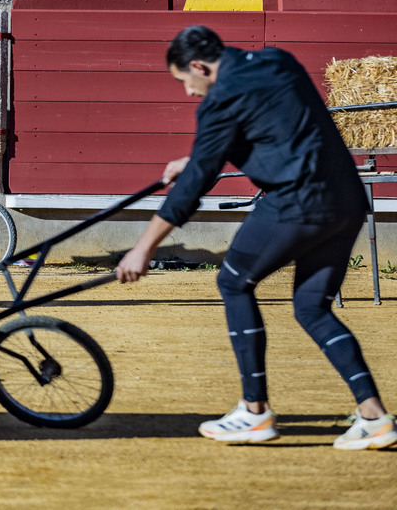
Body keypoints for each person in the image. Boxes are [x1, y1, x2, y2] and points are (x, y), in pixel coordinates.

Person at [117, 25, 395, 450]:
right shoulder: (278, 61)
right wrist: (196, 157)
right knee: (311, 307)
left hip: (297, 204)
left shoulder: (218, 102)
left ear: (198, 66)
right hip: (347, 200)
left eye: (185, 82)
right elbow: (277, 125)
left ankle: (254, 412)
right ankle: (374, 417)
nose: (190, 92)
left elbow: (192, 188)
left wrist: (143, 248)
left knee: (233, 282)